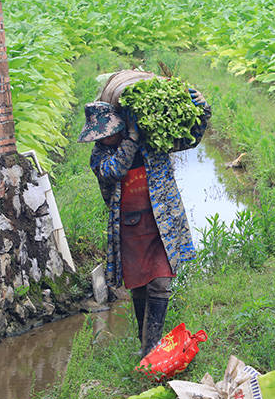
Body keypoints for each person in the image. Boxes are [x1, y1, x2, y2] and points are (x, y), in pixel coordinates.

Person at [78, 71, 211, 357]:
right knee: (138, 286)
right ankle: (145, 341)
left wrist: (202, 110)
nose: (106, 139)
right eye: (103, 136)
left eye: (110, 133)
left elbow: (188, 141)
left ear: (118, 126)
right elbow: (116, 170)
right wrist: (132, 139)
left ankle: (151, 345)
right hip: (128, 227)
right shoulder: (100, 156)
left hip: (160, 221)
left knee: (161, 283)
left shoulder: (150, 143)